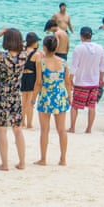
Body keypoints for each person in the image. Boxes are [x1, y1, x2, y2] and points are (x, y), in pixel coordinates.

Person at [0, 28, 32, 170]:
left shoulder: (1, 57)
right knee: (18, 129)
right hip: (15, 96)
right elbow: (29, 48)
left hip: (0, 96)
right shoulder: (23, 56)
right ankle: (22, 162)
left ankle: (5, 164)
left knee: (2, 129)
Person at [34, 33, 71, 166]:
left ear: (44, 47)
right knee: (62, 130)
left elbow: (38, 82)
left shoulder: (41, 62)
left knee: (45, 130)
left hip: (45, 97)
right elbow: (67, 82)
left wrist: (32, 99)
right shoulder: (63, 63)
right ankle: (63, 159)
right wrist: (69, 97)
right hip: (60, 97)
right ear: (56, 47)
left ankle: (43, 159)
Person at [68, 26, 104, 134]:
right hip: (94, 81)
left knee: (75, 106)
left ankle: (72, 127)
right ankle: (89, 129)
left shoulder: (78, 48)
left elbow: (74, 66)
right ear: (91, 35)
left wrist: (70, 79)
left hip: (81, 82)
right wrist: (101, 79)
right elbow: (102, 66)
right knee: (92, 106)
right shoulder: (99, 48)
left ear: (81, 36)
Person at [19, 31, 41, 131]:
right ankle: (29, 124)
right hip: (32, 76)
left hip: (23, 76)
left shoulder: (21, 51)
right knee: (30, 103)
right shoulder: (36, 54)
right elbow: (38, 69)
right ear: (34, 42)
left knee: (23, 101)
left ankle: (22, 122)